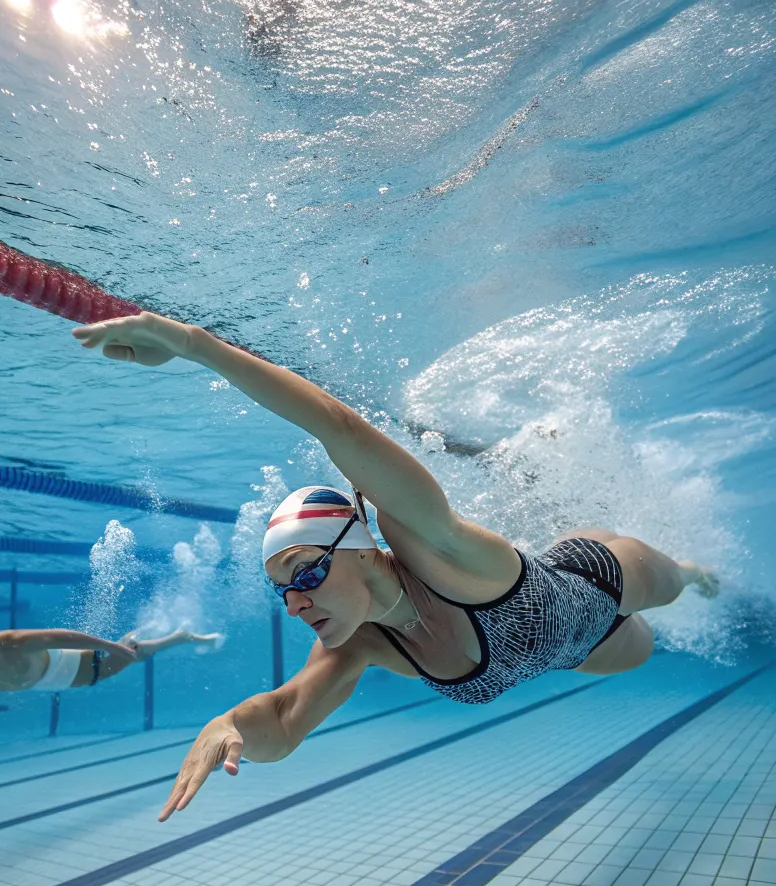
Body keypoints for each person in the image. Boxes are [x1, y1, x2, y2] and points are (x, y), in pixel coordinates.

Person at [72, 311, 720, 821]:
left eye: (306, 575)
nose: (296, 604)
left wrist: (194, 346)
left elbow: (340, 430)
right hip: (579, 650)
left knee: (680, 583)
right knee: (645, 648)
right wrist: (229, 724)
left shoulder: (434, 548)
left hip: (600, 576)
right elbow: (285, 721)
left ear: (358, 547)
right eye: (284, 594)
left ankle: (689, 567)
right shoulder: (359, 646)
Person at [0, 614, 223, 747]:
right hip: (58, 680)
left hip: (83, 667)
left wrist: (109, 646)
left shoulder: (12, 642)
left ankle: (179, 637)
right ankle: (137, 638)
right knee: (129, 649)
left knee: (132, 653)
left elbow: (64, 636)